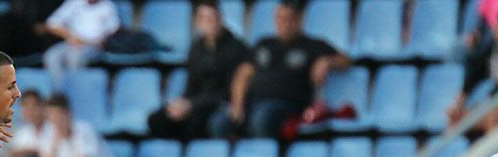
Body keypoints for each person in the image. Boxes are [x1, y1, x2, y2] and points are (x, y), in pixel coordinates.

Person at [209, 0, 351, 139]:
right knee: (219, 123)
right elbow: (243, 74)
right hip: (253, 102)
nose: (283, 23)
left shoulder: (313, 46)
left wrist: (328, 61)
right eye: (279, 18)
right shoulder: (264, 43)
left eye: (288, 18)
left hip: (288, 106)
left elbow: (346, 60)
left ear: (299, 20)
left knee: (261, 118)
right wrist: (237, 104)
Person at [147, 0, 248, 140]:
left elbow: (230, 92)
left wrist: (192, 105)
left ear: (221, 18)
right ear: (198, 22)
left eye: (214, 18)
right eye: (205, 19)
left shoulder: (236, 48)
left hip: (218, 105)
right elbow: (191, 86)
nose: (211, 23)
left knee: (197, 124)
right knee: (157, 119)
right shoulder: (196, 48)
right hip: (196, 104)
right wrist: (181, 104)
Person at [36, 93, 120, 157]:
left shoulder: (85, 130)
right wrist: (54, 146)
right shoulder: (48, 136)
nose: (55, 120)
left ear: (69, 113)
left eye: (58, 114)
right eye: (51, 115)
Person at [42, 0, 120, 83]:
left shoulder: (107, 5)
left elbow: (113, 30)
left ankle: (75, 90)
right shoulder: (74, 2)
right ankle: (59, 92)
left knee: (74, 57)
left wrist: (90, 41)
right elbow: (52, 23)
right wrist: (69, 36)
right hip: (72, 43)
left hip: (93, 45)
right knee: (51, 56)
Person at [3, 89, 52, 157]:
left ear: (42, 107)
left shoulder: (52, 129)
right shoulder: (22, 132)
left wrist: (30, 153)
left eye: (34, 106)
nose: (30, 110)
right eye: (25, 106)